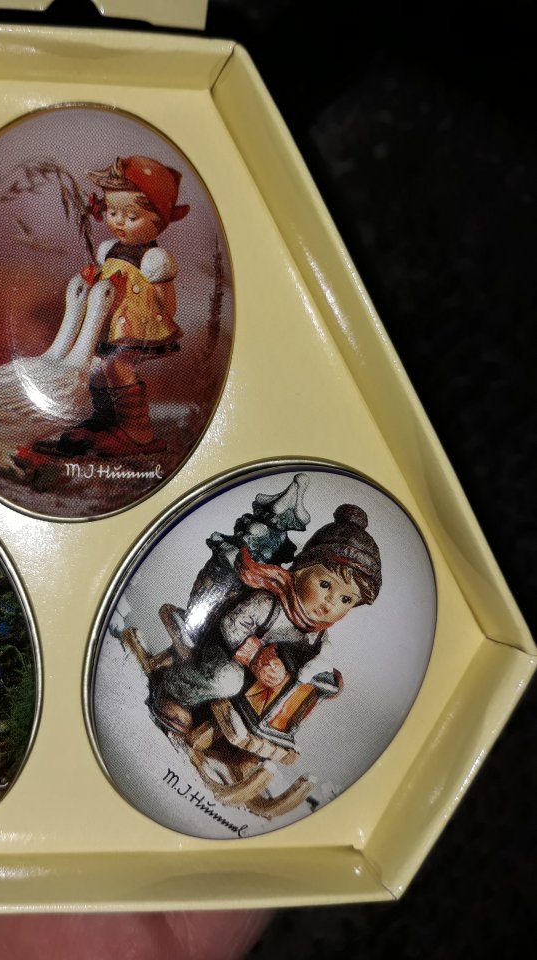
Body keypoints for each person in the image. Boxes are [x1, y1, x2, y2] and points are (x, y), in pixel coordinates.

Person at [150, 504, 382, 735]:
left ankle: (233, 731)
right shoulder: (270, 603)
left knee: (274, 707)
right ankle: (175, 692)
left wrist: (329, 680)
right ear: (301, 570)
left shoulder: (317, 634)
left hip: (259, 682)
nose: (331, 602)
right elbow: (231, 625)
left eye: (346, 599)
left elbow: (316, 658)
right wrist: (256, 656)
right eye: (325, 584)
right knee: (228, 679)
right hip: (222, 651)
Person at [37, 154, 189, 457]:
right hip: (108, 321)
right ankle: (106, 420)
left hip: (133, 326)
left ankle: (138, 432)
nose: (118, 222)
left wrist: (156, 321)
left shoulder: (154, 260)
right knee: (98, 366)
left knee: (119, 366)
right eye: (112, 212)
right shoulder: (108, 251)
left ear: (159, 220)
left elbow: (166, 302)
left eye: (132, 217)